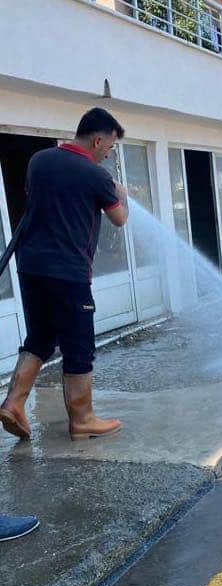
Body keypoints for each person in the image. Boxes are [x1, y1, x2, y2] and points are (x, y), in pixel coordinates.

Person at [0, 108, 129, 442]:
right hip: (68, 273)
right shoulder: (96, 175)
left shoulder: (39, 161)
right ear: (98, 139)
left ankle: (13, 403)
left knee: (41, 337)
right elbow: (119, 219)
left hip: (31, 267)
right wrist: (122, 194)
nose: (108, 154)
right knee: (79, 345)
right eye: (110, 147)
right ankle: (83, 419)